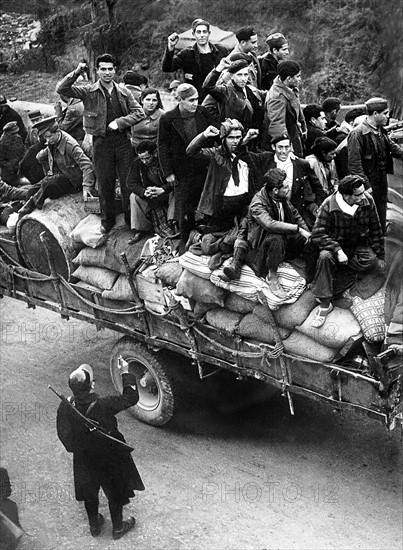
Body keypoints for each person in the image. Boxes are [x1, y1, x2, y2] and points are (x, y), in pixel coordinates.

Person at [56, 53, 145, 233]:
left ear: (115, 71)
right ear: (97, 71)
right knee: (105, 184)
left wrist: (119, 123)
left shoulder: (123, 92)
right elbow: (62, 89)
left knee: (128, 183)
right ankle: (107, 221)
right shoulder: (88, 91)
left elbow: (139, 113)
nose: (107, 73)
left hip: (122, 142)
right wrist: (78, 71)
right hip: (101, 143)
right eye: (103, 69)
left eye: (110, 69)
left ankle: (131, 221)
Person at [56, 360, 144, 540]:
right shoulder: (104, 404)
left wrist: (77, 448)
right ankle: (118, 528)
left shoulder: (65, 405)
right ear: (92, 385)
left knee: (89, 493)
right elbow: (131, 398)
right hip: (108, 458)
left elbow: (63, 434)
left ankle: (94, 526)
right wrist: (125, 372)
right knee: (115, 492)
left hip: (83, 458)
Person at [185, 119, 272, 264]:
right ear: (224, 139)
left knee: (247, 239)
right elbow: (191, 152)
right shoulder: (216, 154)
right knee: (224, 242)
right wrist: (204, 135)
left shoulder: (246, 155)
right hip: (221, 207)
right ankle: (198, 238)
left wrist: (247, 140)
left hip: (243, 204)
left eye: (238, 137)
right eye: (231, 138)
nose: (235, 141)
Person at [310, 175, 385, 327]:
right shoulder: (328, 205)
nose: (363, 196)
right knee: (324, 257)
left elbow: (376, 228)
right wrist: (337, 249)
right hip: (334, 246)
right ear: (346, 195)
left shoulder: (367, 200)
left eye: (363, 192)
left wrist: (381, 255)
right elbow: (317, 234)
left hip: (356, 244)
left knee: (372, 261)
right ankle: (324, 302)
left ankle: (335, 287)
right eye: (359, 194)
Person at [157, 83, 216, 246]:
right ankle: (184, 242)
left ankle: (203, 240)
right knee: (185, 209)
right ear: (180, 100)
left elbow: (214, 135)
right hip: (182, 170)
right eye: (190, 100)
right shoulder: (168, 118)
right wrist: (167, 172)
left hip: (204, 166)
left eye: (196, 99)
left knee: (206, 205)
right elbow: (162, 146)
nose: (194, 103)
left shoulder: (203, 112)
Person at [242, 167, 311, 296]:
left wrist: (307, 233)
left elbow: (296, 215)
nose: (288, 189)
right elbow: (269, 224)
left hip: (283, 242)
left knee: (305, 240)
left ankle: (309, 274)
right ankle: (272, 275)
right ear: (275, 190)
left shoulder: (282, 198)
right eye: (285, 187)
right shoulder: (257, 203)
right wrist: (298, 229)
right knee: (276, 238)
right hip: (263, 246)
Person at [347, 97, 403, 233]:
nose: (388, 116)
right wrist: (365, 186)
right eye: (385, 113)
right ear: (375, 114)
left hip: (380, 180)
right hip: (367, 183)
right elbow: (355, 164)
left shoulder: (380, 131)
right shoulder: (357, 134)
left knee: (381, 214)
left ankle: (381, 240)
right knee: (368, 218)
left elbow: (394, 149)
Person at [18, 120, 95, 217]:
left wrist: (87, 186)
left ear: (57, 132)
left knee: (48, 184)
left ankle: (32, 203)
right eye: (45, 137)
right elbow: (45, 154)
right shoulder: (53, 142)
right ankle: (22, 219)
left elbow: (87, 165)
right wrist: (43, 160)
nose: (47, 140)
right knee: (31, 190)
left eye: (49, 136)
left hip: (74, 181)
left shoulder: (70, 145)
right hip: (60, 174)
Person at [263, 134, 326, 229]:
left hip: (298, 210)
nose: (284, 151)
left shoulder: (301, 164)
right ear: (273, 147)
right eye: (280, 147)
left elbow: (317, 186)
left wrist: (319, 205)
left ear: (291, 147)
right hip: (274, 211)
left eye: (286, 147)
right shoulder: (266, 161)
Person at [162, 18, 228, 103]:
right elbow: (167, 68)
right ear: (193, 34)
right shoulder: (186, 54)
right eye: (198, 32)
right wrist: (170, 47)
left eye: (204, 32)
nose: (202, 35)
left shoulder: (221, 51)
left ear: (209, 33)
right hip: (196, 103)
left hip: (218, 101)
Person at [126, 139, 176, 243]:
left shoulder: (166, 160)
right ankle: (141, 229)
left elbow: (178, 180)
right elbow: (131, 183)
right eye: (142, 159)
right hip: (150, 196)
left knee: (175, 193)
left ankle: (174, 222)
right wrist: (143, 191)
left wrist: (163, 189)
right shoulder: (137, 163)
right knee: (133, 196)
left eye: (147, 158)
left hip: (166, 194)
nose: (144, 162)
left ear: (155, 153)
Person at [203, 56, 266, 133]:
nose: (243, 78)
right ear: (231, 76)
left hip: (251, 135)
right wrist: (219, 68)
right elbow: (208, 86)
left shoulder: (251, 90)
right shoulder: (225, 91)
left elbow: (268, 95)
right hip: (233, 136)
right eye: (239, 75)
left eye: (245, 75)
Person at [263, 60, 306, 156]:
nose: (300, 79)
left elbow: (297, 109)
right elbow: (277, 126)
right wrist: (286, 150)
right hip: (286, 145)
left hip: (294, 136)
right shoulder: (277, 97)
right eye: (298, 76)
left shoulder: (289, 88)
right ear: (289, 79)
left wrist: (303, 129)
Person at [0, 121, 25, 186]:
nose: (16, 135)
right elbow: (1, 160)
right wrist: (11, 165)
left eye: (16, 132)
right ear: (7, 133)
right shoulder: (2, 143)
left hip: (19, 170)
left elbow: (23, 151)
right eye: (13, 133)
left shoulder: (18, 138)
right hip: (9, 174)